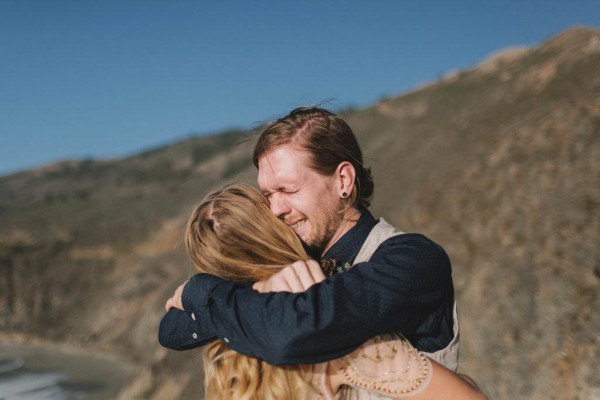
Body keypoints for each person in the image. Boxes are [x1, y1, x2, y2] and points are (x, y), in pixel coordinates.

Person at [160, 106, 458, 371]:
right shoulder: (288, 263)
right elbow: (172, 329)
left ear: (343, 180)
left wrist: (200, 289)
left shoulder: (413, 260)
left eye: (288, 190)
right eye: (268, 195)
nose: (275, 209)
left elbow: (293, 332)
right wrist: (257, 288)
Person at [161, 182, 485, 399]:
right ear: (274, 231)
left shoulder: (222, 348)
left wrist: (200, 289)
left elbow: (171, 327)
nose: (283, 209)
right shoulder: (336, 335)